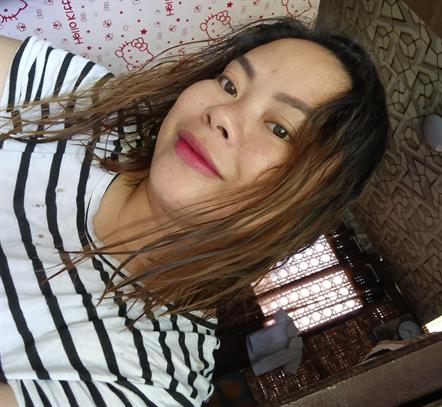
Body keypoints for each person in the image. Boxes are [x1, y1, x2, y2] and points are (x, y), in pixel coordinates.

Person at [0, 17, 389, 406]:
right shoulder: (97, 110)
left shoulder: (152, 382)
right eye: (229, 84)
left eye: (280, 129)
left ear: (302, 209)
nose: (222, 114)